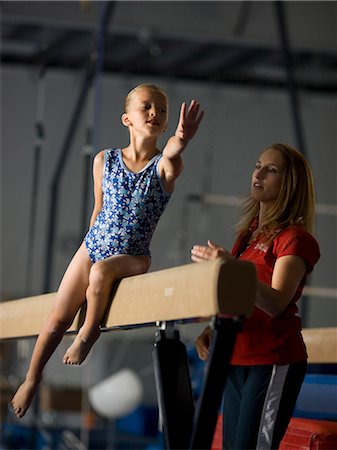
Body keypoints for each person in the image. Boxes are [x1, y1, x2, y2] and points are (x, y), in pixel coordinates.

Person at [11, 83, 204, 418]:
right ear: (126, 118)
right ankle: (31, 379)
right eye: (146, 107)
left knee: (101, 273)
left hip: (134, 256)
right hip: (94, 245)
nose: (155, 113)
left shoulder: (164, 167)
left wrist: (182, 139)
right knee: (57, 318)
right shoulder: (104, 160)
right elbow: (98, 209)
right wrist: (88, 248)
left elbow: (173, 151)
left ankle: (90, 330)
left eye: (161, 109)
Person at [191, 143, 320, 450]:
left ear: (289, 183)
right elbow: (239, 297)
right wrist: (211, 329)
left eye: (271, 170)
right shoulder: (248, 235)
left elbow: (276, 302)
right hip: (237, 355)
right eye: (257, 165)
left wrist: (232, 267)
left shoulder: (295, 239)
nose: (258, 173)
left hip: (272, 358)